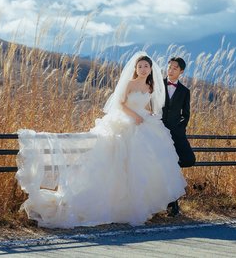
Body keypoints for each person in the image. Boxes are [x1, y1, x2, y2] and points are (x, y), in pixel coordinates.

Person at [15, 52, 186, 228]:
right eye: (140, 66)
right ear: (135, 69)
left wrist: (149, 114)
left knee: (146, 162)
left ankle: (142, 204)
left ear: (150, 69)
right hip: (127, 120)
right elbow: (121, 104)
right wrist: (135, 116)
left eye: (146, 66)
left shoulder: (150, 86)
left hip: (143, 121)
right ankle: (117, 203)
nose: (143, 69)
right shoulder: (130, 84)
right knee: (123, 159)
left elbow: (146, 105)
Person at [162, 57, 196, 216]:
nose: (171, 70)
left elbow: (186, 114)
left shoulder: (184, 91)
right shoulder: (157, 85)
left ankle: (172, 202)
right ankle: (172, 203)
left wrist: (179, 129)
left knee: (188, 159)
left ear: (181, 71)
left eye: (175, 68)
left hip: (176, 134)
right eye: (169, 67)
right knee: (165, 164)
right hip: (158, 132)